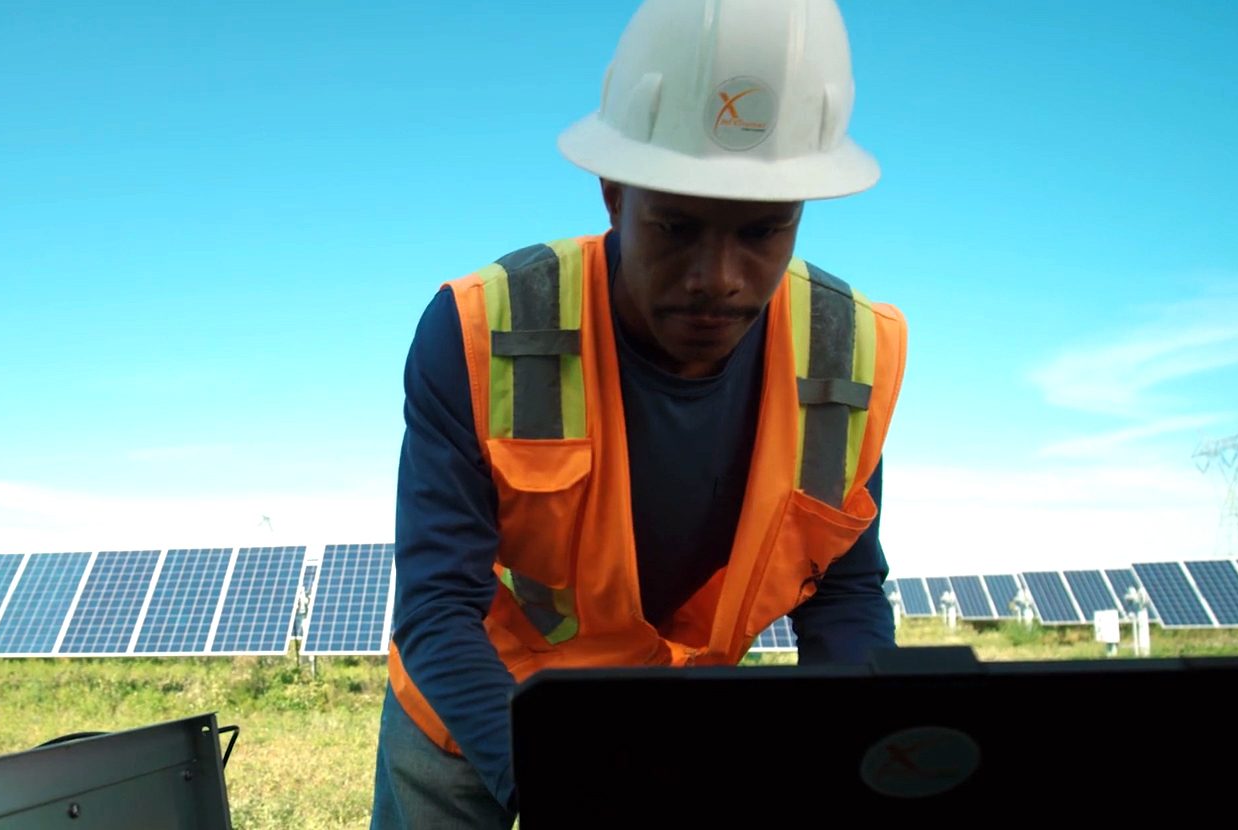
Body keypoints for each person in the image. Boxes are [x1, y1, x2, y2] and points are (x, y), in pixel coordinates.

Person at [369, 1, 908, 827]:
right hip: (477, 709)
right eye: (678, 227)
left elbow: (844, 592)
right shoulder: (482, 332)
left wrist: (855, 765)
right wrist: (571, 791)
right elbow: (437, 609)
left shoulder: (848, 357)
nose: (718, 277)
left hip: (682, 721)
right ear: (614, 193)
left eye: (763, 231)